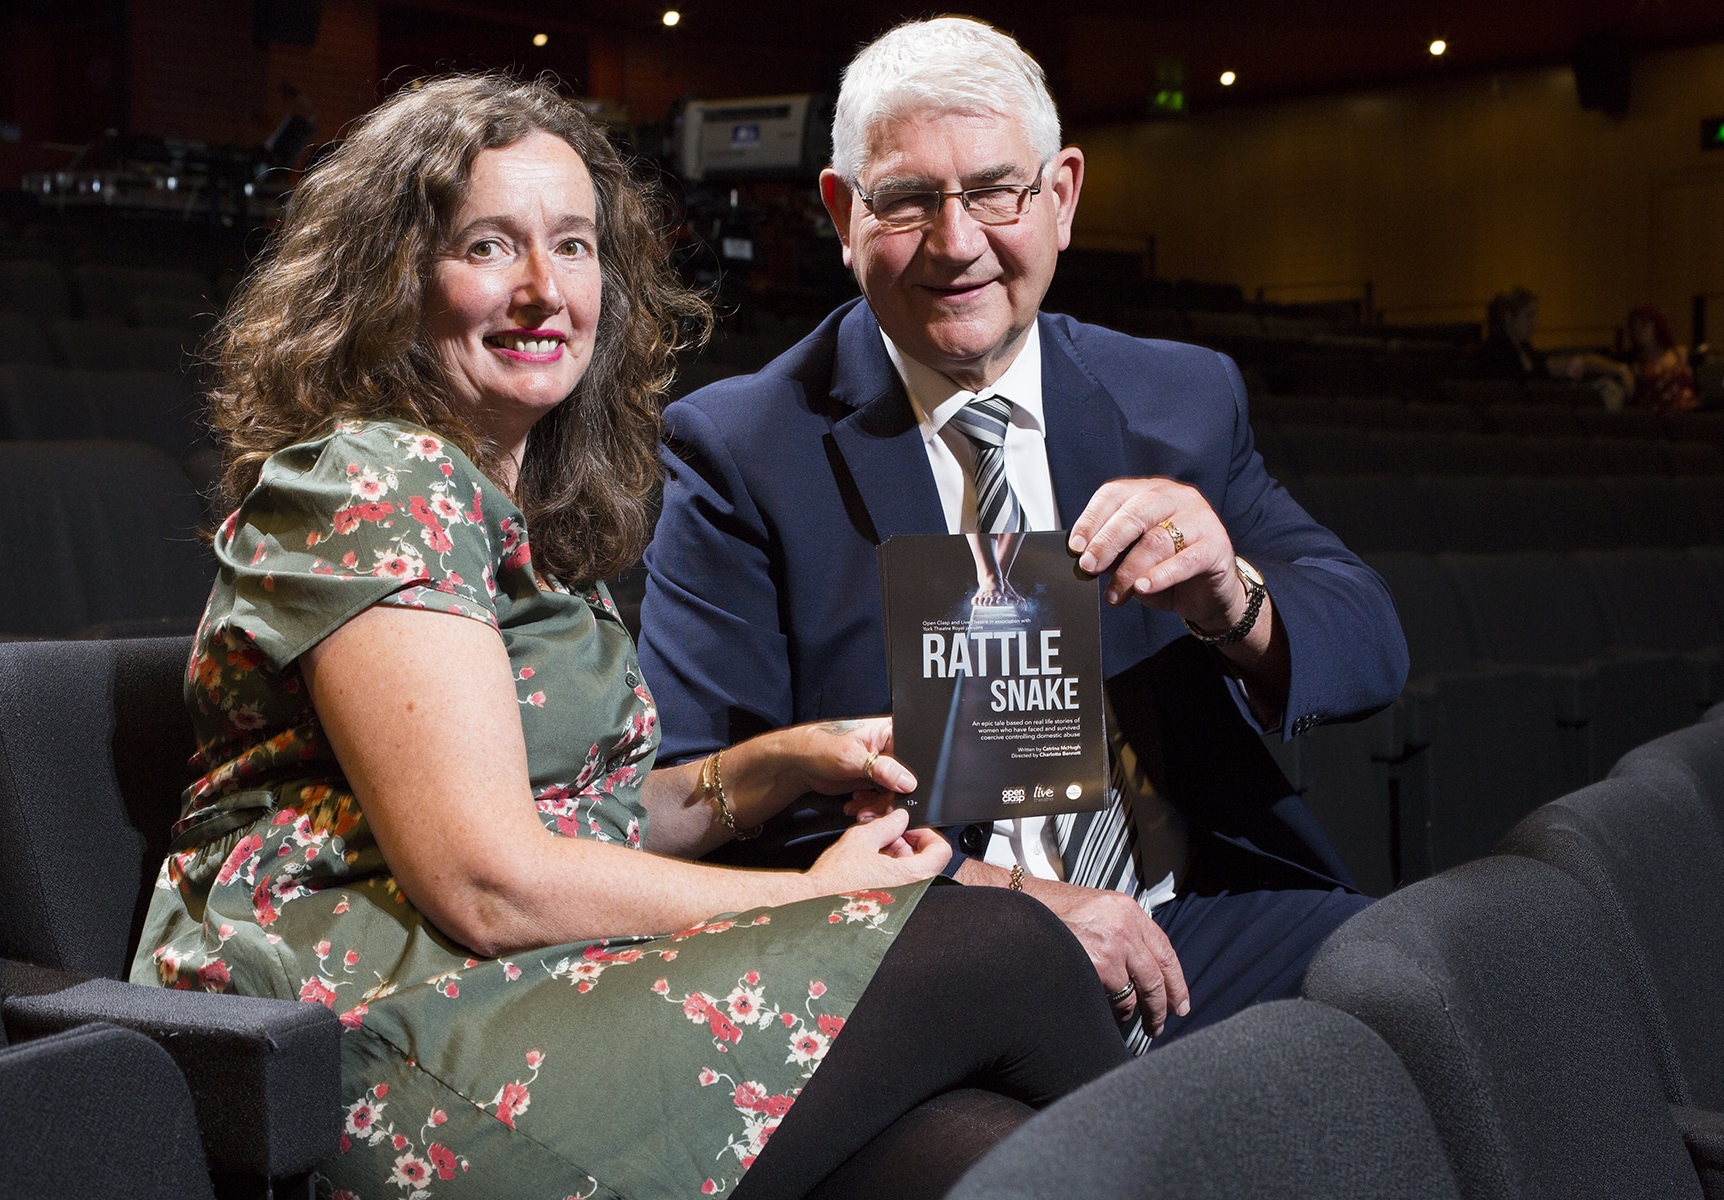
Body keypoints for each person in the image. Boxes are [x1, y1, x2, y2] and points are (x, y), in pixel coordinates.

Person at [131, 75, 1131, 1200]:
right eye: (488, 247)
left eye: (573, 245)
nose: (541, 290)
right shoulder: (371, 481)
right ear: (393, 279)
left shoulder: (516, 509)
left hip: (525, 984)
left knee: (976, 1150)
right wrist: (833, 903)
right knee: (1004, 950)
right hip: (363, 1036)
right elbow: (489, 880)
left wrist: (768, 767)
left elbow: (566, 811)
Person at [638, 17, 1410, 1053]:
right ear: (841, 211)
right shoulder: (743, 449)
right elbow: (712, 790)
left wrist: (1237, 598)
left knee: (1415, 977)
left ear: (1063, 195)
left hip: (1179, 916)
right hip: (933, 938)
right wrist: (1018, 905)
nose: (957, 244)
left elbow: (1370, 642)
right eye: (908, 200)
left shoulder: (1176, 397)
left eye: (997, 190)